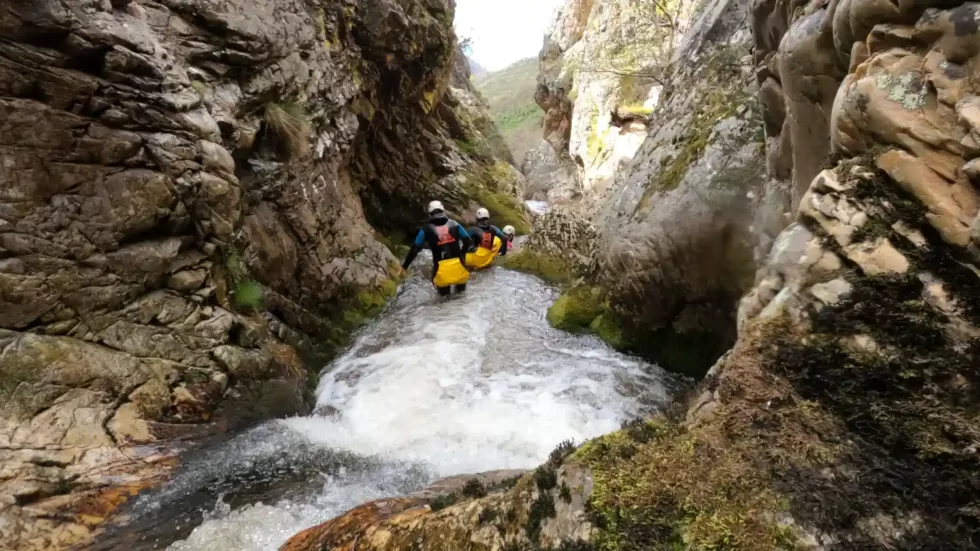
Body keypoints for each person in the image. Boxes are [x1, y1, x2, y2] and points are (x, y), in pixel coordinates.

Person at [402, 200, 471, 296]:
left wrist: (404, 266)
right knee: (461, 296)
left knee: (444, 300)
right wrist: (462, 255)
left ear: (430, 215)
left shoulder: (426, 229)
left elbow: (415, 248)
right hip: (459, 266)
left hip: (441, 270)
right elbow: (467, 240)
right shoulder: (455, 224)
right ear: (443, 211)